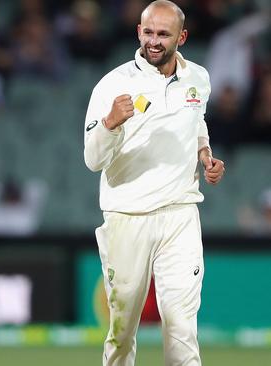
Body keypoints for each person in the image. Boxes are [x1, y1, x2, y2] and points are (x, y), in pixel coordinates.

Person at [83, 1, 225, 365]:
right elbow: (92, 160)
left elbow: (197, 122)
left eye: (163, 34)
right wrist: (111, 123)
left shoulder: (199, 79)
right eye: (148, 32)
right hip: (127, 214)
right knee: (122, 329)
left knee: (181, 323)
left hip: (180, 212)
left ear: (182, 36)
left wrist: (205, 153)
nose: (155, 41)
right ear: (138, 32)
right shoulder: (113, 84)